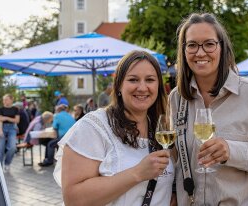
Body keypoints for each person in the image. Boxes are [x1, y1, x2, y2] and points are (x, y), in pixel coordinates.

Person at [169, 13, 248, 205]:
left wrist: (232, 151)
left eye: (209, 44)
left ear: (222, 47)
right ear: (183, 50)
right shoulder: (176, 98)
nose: (200, 52)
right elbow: (176, 159)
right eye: (192, 45)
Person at [53, 50, 174, 206]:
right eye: (133, 80)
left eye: (150, 80)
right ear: (118, 85)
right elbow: (73, 199)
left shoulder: (161, 127)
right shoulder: (94, 126)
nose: (142, 87)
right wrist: (137, 173)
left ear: (158, 86)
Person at [0, 94, 20, 172]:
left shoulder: (15, 109)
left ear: (11, 100)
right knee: (0, 149)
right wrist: (0, 130)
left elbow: (17, 120)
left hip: (12, 128)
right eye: (4, 99)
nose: (4, 101)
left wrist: (6, 118)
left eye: (6, 99)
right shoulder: (0, 109)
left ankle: (7, 163)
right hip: (1, 127)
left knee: (13, 147)